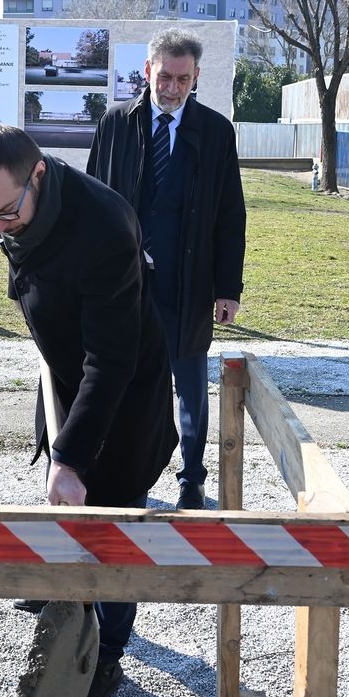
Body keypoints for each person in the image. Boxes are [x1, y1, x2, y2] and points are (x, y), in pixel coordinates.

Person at [0, 124, 177, 697]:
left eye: (5, 212)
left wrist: (75, 457)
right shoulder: (23, 203)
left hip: (124, 392)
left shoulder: (104, 225)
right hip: (69, 374)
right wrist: (65, 458)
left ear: (37, 175)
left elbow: (112, 359)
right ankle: (65, 585)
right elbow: (27, 266)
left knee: (115, 526)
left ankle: (105, 651)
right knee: (66, 495)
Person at [86, 28, 247, 511]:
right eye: (164, 76)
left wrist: (228, 287)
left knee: (190, 386)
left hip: (188, 283)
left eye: (183, 78)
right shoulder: (116, 123)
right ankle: (120, 469)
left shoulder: (216, 132)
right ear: (147, 72)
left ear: (195, 77)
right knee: (121, 378)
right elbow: (93, 201)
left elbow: (229, 215)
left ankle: (191, 478)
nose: (172, 87)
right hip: (125, 284)